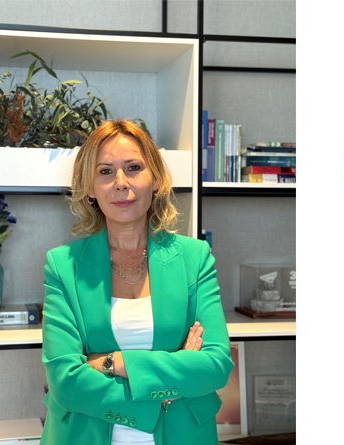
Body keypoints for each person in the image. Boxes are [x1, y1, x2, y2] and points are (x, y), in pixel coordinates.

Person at [40, 120, 233, 444]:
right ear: (90, 187)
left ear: (155, 179)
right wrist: (169, 385)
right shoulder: (62, 266)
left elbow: (215, 365)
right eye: (105, 171)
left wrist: (112, 362)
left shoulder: (195, 258)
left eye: (133, 168)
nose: (120, 183)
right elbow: (65, 382)